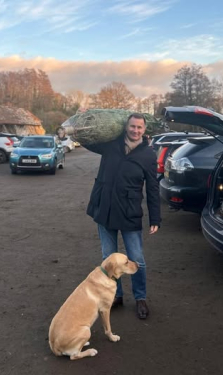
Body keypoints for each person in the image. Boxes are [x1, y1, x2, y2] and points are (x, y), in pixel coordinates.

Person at [85, 113, 161, 319]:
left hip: (129, 212)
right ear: (125, 127)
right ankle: (116, 295)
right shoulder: (110, 144)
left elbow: (153, 188)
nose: (135, 130)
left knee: (137, 260)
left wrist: (155, 218)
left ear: (145, 130)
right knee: (108, 259)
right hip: (105, 209)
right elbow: (87, 140)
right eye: (132, 126)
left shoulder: (148, 155)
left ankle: (140, 298)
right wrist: (79, 125)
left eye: (139, 127)